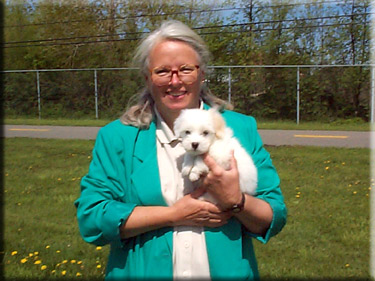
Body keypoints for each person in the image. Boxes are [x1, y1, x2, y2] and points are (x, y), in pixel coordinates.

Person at [75, 20, 287, 281]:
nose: (175, 82)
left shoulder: (239, 128)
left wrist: (236, 201)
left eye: (185, 69)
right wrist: (172, 215)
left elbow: (273, 215)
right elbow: (92, 217)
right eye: (163, 71)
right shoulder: (117, 136)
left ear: (201, 73)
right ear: (147, 77)